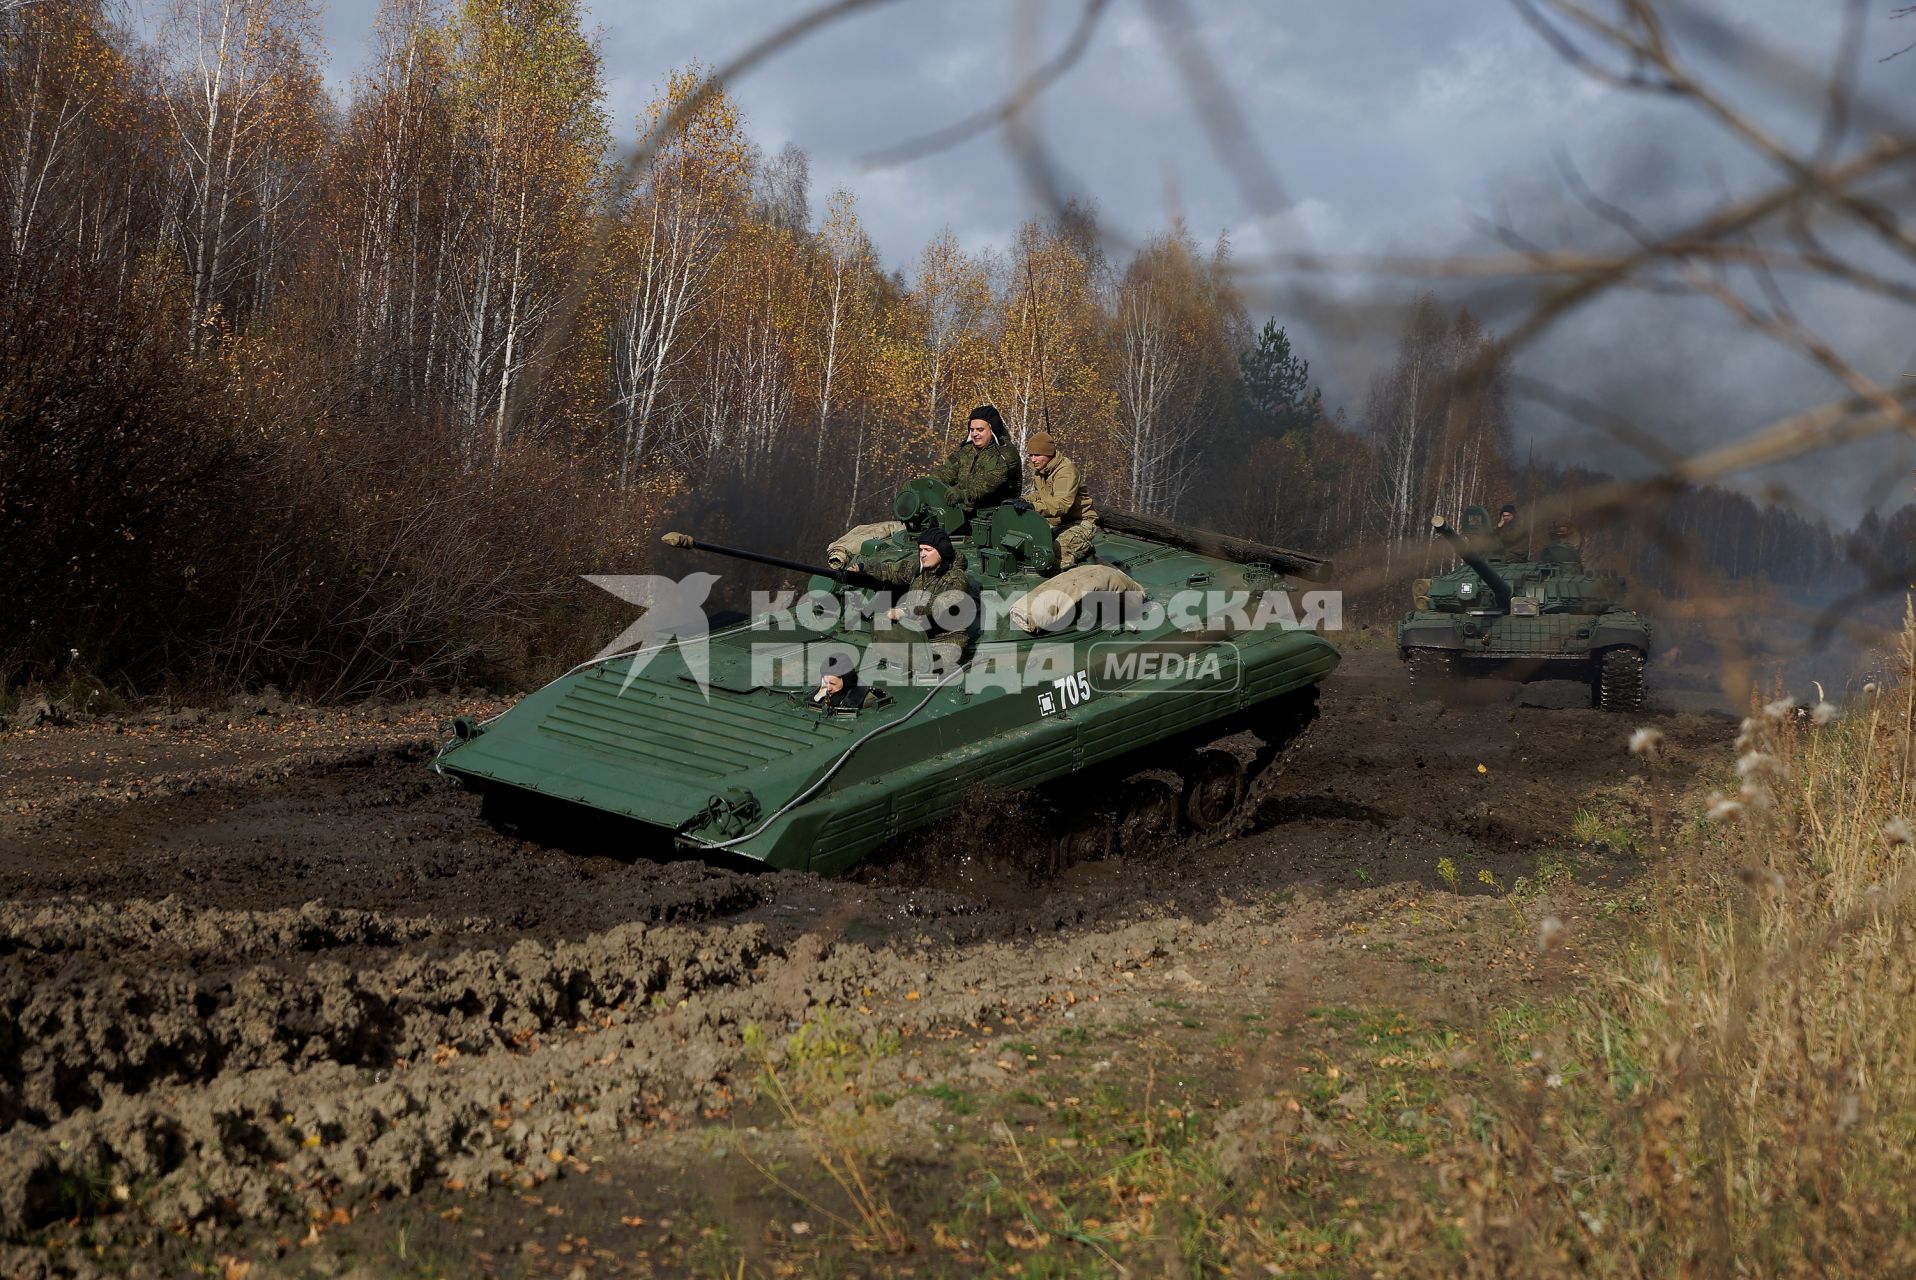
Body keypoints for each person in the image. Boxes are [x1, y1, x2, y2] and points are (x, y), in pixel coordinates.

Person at [860, 527, 974, 667]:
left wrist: (906, 610)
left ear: (942, 551)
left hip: (946, 640)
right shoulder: (920, 570)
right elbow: (891, 571)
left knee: (926, 667)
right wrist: (862, 568)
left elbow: (939, 604)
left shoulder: (956, 578)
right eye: (920, 550)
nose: (923, 555)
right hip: (917, 635)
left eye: (928, 550)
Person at [1024, 430, 1099, 569]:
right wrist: (1024, 501)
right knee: (1029, 544)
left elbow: (1062, 504)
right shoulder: (1041, 470)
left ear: (1049, 454)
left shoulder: (1066, 471)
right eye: (1031, 455)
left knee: (1056, 556)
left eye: (1037, 455)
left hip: (1080, 522)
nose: (1033, 459)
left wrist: (1033, 507)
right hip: (1059, 521)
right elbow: (1041, 495)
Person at [930, 405, 1020, 516]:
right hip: (964, 512)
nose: (974, 434)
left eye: (980, 430)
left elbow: (988, 484)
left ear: (993, 430)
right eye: (972, 430)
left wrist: (962, 494)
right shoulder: (965, 450)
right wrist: (924, 486)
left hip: (997, 517)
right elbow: (945, 472)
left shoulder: (1006, 453)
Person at [810, 651, 881, 712]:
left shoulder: (867, 701)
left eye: (833, 683)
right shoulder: (824, 693)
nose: (828, 688)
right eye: (825, 682)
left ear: (846, 680)